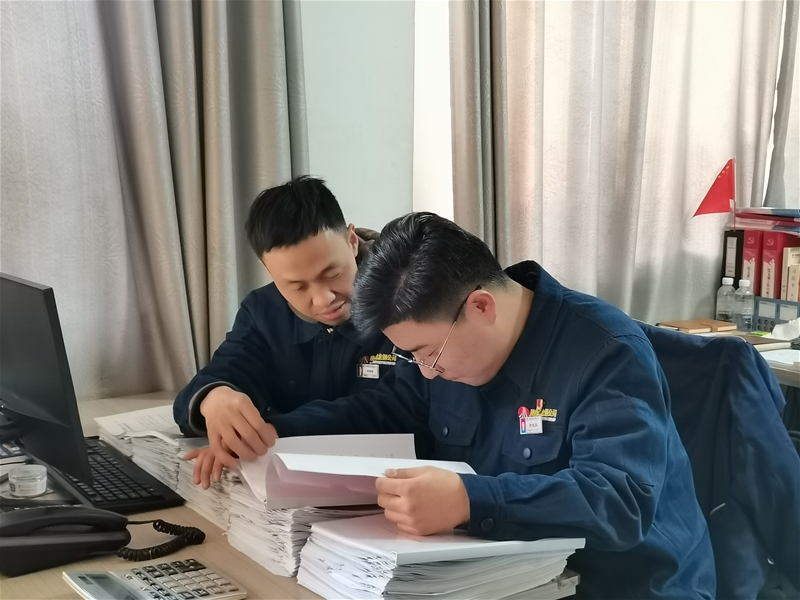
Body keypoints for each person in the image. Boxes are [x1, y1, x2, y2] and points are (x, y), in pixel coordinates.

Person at [248, 212, 717, 598]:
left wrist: (468, 500)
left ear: (481, 307)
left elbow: (619, 501)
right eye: (412, 357)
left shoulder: (606, 353)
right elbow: (382, 410)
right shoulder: (450, 352)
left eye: (429, 353)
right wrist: (266, 432)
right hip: (504, 577)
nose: (426, 371)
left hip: (621, 583)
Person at [174, 176, 402, 488]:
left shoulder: (405, 299)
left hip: (389, 482)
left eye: (332, 273)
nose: (323, 299)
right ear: (269, 271)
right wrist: (214, 398)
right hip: (288, 489)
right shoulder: (263, 312)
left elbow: (394, 408)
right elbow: (228, 370)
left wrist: (272, 430)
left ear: (351, 241)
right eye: (297, 286)